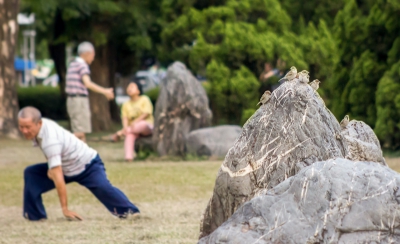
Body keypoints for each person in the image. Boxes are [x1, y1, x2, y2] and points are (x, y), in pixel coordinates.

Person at [18, 106, 139, 221]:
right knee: (32, 173)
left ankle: (130, 212)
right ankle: (35, 216)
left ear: (39, 123)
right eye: (21, 127)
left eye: (27, 127)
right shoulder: (41, 126)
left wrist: (65, 209)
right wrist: (50, 167)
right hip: (66, 167)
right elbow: (51, 157)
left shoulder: (50, 140)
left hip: (87, 165)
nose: (24, 131)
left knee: (103, 188)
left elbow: (58, 175)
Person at [65, 41, 114, 142]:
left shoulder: (73, 64)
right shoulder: (82, 65)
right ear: (87, 53)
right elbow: (88, 83)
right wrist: (105, 91)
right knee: (79, 132)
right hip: (78, 100)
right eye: (93, 55)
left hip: (74, 100)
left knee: (81, 132)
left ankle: (82, 156)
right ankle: (66, 151)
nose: (93, 58)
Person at [111, 80, 154, 162]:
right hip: (133, 129)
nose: (129, 88)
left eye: (132, 87)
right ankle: (129, 157)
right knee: (129, 135)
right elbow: (125, 118)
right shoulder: (125, 104)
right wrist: (125, 128)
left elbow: (146, 113)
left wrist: (135, 122)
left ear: (138, 91)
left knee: (141, 124)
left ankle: (120, 133)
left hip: (146, 127)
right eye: (129, 87)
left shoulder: (144, 99)